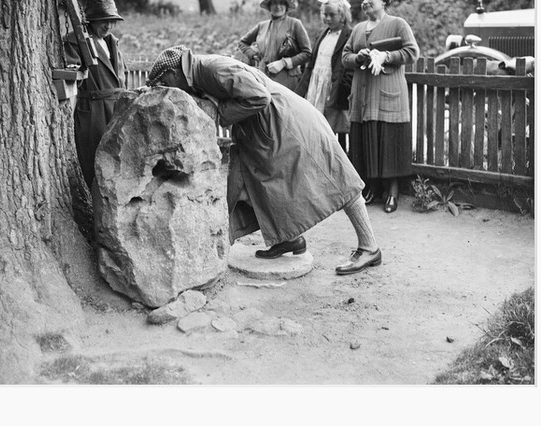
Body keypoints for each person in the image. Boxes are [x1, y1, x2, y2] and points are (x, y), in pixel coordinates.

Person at [145, 45, 382, 275]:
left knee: (336, 178)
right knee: (253, 183)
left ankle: (369, 247)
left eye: (166, 84)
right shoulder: (196, 73)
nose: (170, 90)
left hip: (290, 123)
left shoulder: (213, 69)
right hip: (264, 128)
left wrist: (220, 114)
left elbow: (259, 96)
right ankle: (289, 239)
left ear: (173, 73)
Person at [342, 0, 420, 212]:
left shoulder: (397, 24)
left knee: (389, 143)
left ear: (384, 1)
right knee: (366, 142)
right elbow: (345, 56)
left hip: (388, 95)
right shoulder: (357, 29)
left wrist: (385, 56)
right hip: (363, 97)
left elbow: (412, 52)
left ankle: (393, 192)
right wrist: (359, 57)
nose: (365, 2)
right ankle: (372, 188)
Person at [63, 0, 128, 189]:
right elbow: (71, 77)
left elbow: (120, 75)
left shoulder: (112, 42)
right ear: (91, 21)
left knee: (118, 160)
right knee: (93, 163)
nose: (107, 26)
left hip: (116, 109)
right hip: (92, 112)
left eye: (111, 21)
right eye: (102, 21)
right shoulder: (77, 41)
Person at [294, 0, 353, 152]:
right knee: (316, 124)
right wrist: (300, 91)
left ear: (342, 15)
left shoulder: (349, 35)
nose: (327, 18)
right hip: (317, 83)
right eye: (324, 14)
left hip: (334, 86)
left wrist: (343, 88)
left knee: (336, 124)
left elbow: (348, 67)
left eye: (332, 15)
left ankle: (341, 158)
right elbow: (311, 65)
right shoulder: (322, 35)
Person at [237, 0, 312, 92]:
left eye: (281, 3)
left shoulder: (295, 24)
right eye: (274, 3)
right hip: (263, 77)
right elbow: (242, 42)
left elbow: (307, 53)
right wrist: (253, 55)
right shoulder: (262, 26)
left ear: (286, 6)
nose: (278, 6)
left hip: (287, 79)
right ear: (269, 6)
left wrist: (284, 63)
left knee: (284, 107)